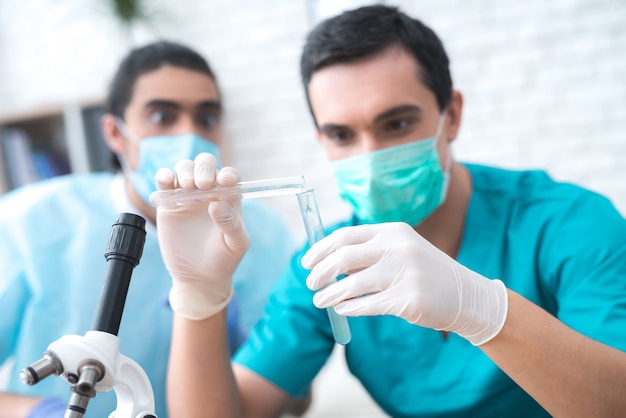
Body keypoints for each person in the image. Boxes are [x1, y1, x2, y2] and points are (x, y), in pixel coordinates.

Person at [157, 5, 626, 418]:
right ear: (321, 139)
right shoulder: (325, 265)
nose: (371, 155)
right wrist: (199, 296)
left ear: (452, 115)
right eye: (342, 135)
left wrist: (482, 309)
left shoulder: (569, 223)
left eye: (397, 123)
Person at [0, 40, 295, 418]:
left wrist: (231, 328)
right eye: (162, 117)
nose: (189, 135)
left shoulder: (262, 234)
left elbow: (297, 399)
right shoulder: (29, 223)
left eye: (206, 119)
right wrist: (39, 412)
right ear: (114, 133)